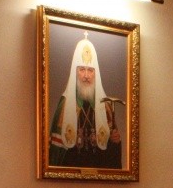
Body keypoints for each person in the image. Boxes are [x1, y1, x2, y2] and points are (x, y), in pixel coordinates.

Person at [48, 33, 122, 169]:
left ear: (96, 74)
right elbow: (56, 153)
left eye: (90, 70)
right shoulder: (65, 105)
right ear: (75, 72)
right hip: (70, 174)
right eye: (82, 69)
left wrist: (115, 142)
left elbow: (112, 154)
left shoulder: (105, 106)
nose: (86, 75)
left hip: (99, 175)